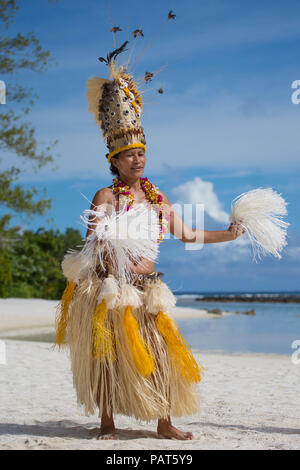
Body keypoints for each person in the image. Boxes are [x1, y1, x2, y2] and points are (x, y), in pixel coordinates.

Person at [54, 57, 245, 441]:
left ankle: (164, 421)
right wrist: (108, 244)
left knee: (161, 353)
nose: (137, 160)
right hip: (113, 288)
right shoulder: (107, 195)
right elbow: (94, 240)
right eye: (129, 155)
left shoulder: (157, 199)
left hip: (148, 289)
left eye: (141, 153)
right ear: (115, 160)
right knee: (106, 356)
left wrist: (229, 234)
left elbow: (188, 234)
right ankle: (107, 421)